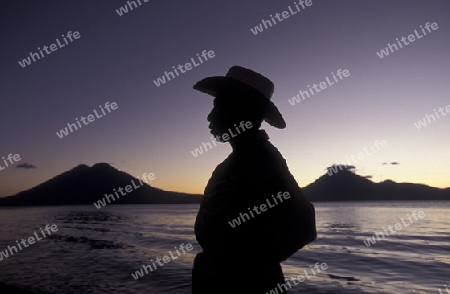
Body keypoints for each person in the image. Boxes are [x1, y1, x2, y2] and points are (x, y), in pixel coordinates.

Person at [192, 66, 316, 294]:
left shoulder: (263, 160)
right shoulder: (233, 163)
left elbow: (305, 224)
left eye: (218, 106)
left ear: (241, 110)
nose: (210, 116)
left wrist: (246, 267)